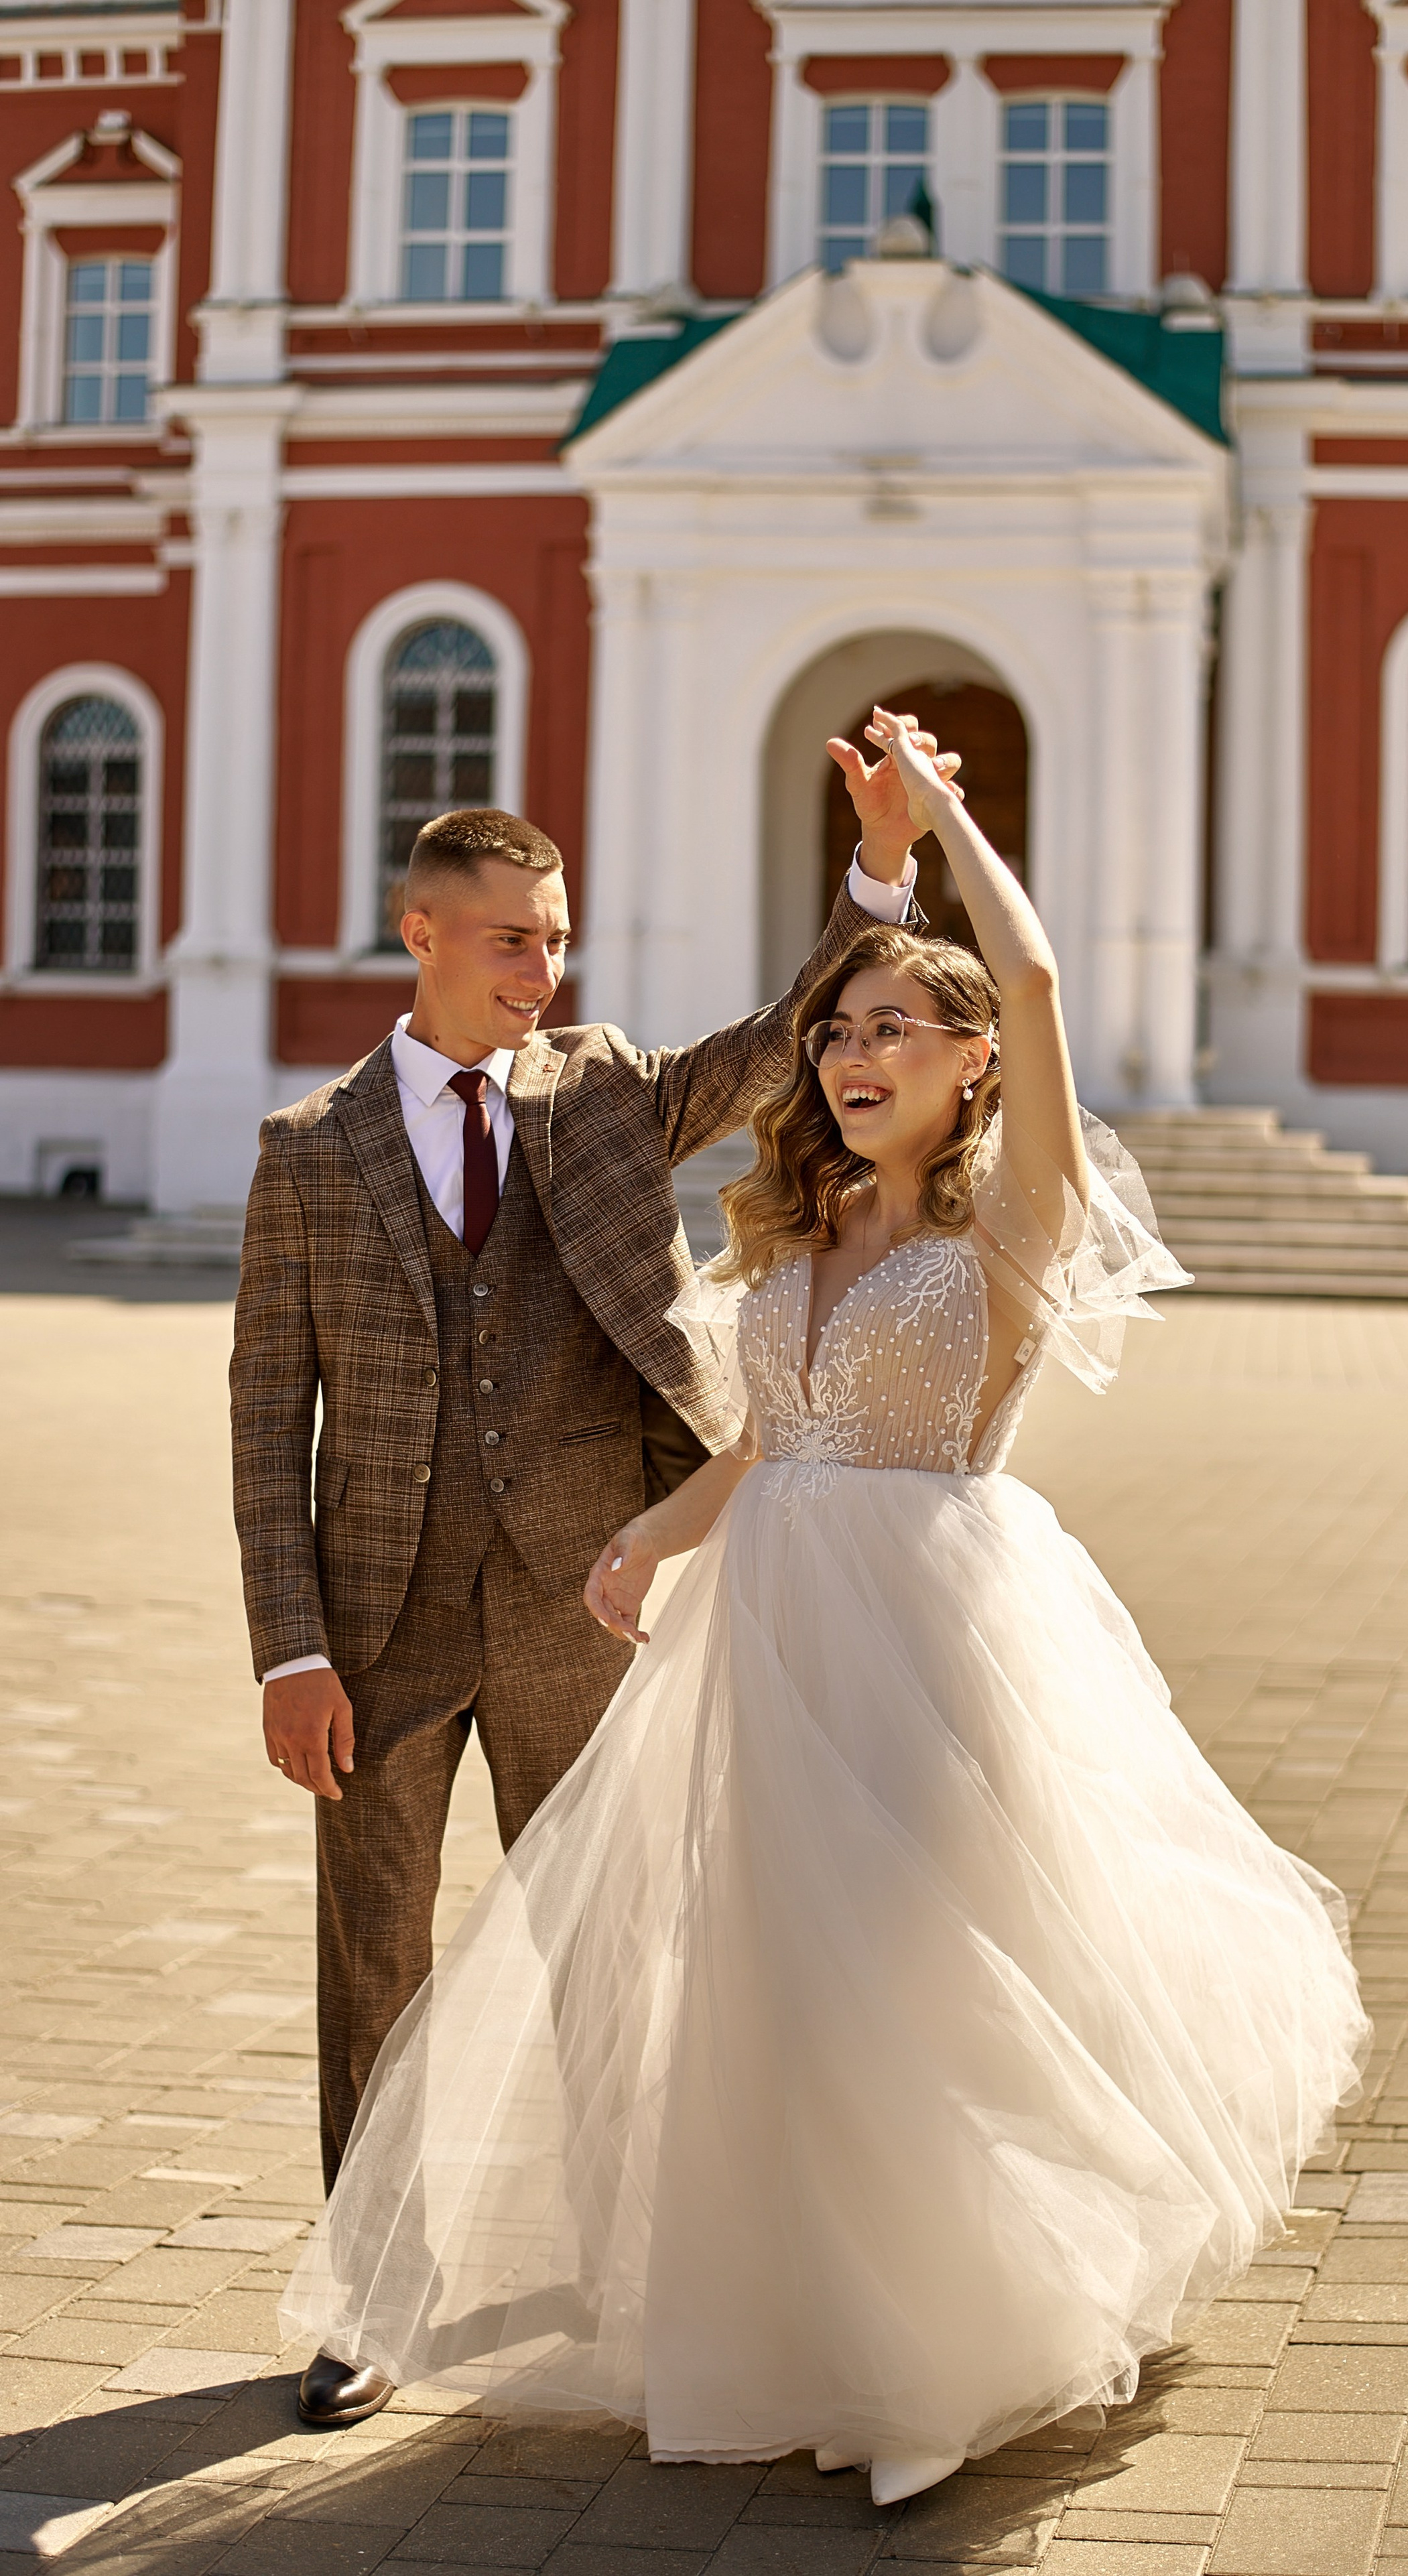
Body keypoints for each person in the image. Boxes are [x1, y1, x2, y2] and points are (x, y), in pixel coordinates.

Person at [281, 709, 1370, 2496]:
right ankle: (794, 2320)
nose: (852, 1053)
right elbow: (771, 1439)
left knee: (915, 1980)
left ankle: (939, 2348)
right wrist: (649, 1539)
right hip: (764, 1642)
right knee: (780, 1997)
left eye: (890, 1028)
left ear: (972, 1060)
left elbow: (1028, 977)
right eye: (841, 1031)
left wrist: (922, 830)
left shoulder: (1010, 1223)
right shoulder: (801, 1225)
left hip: (926, 1637)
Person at [233, 736, 955, 2429]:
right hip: (379, 1623)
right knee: (373, 1961)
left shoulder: (605, 1089)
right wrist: (288, 1651)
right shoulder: (308, 1151)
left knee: (608, 1950)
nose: (542, 970)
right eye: (512, 940)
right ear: (420, 928)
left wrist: (877, 874)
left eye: (556, 939)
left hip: (583, 1599)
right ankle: (372, 2296)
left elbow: (787, 1033)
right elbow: (269, 1419)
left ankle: (636, 2273)